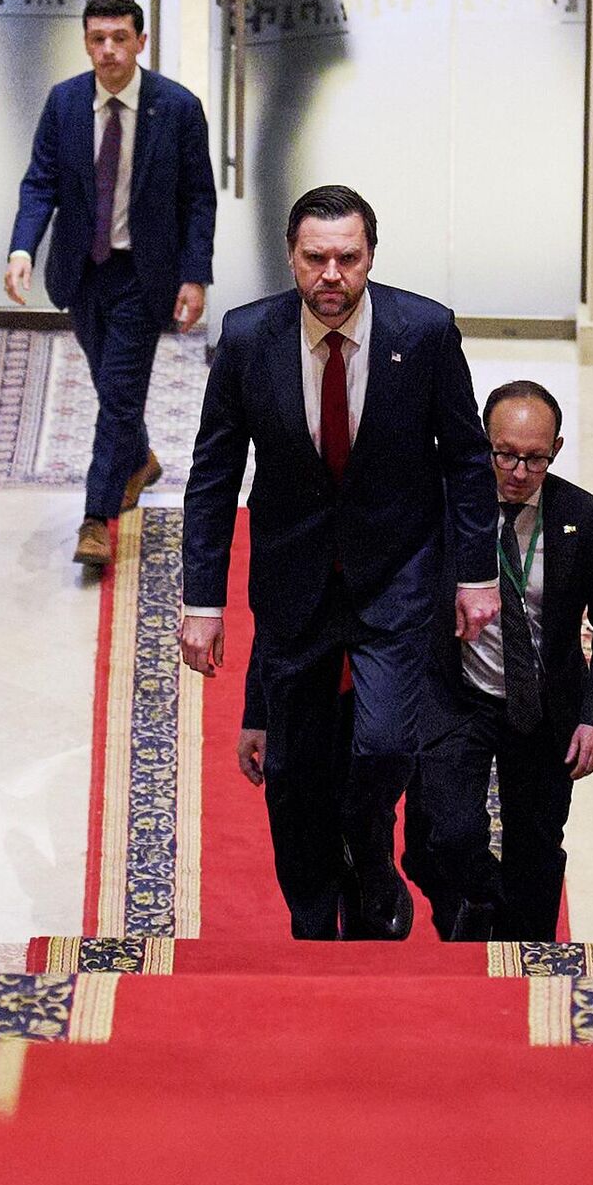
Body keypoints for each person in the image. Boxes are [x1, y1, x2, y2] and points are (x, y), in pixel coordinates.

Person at [180, 185, 496, 940]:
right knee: (291, 775)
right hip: (294, 580)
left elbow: (466, 458)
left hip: (396, 571)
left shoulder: (425, 331)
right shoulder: (248, 337)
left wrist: (476, 573)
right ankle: (314, 918)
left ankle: (368, 845)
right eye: (315, 257)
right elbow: (214, 474)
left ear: (371, 257)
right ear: (290, 256)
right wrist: (203, 602)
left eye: (347, 258)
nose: (331, 275)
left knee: (385, 742)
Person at [415, 381, 593, 941]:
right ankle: (485, 908)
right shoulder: (442, 504)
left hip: (544, 705)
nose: (518, 472)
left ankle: (529, 958)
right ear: (483, 444)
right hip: (459, 695)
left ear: (556, 450)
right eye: (505, 455)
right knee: (443, 838)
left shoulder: (586, 517)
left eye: (535, 459)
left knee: (536, 849)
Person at [5, 0, 216, 567]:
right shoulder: (65, 102)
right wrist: (23, 249)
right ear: (85, 42)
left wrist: (195, 276)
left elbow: (198, 198)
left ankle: (96, 518)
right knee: (111, 386)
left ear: (141, 42)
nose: (108, 50)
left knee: (119, 392)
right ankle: (140, 459)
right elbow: (40, 182)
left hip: (144, 274)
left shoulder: (177, 107)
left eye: (120, 38)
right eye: (97, 38)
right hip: (82, 271)